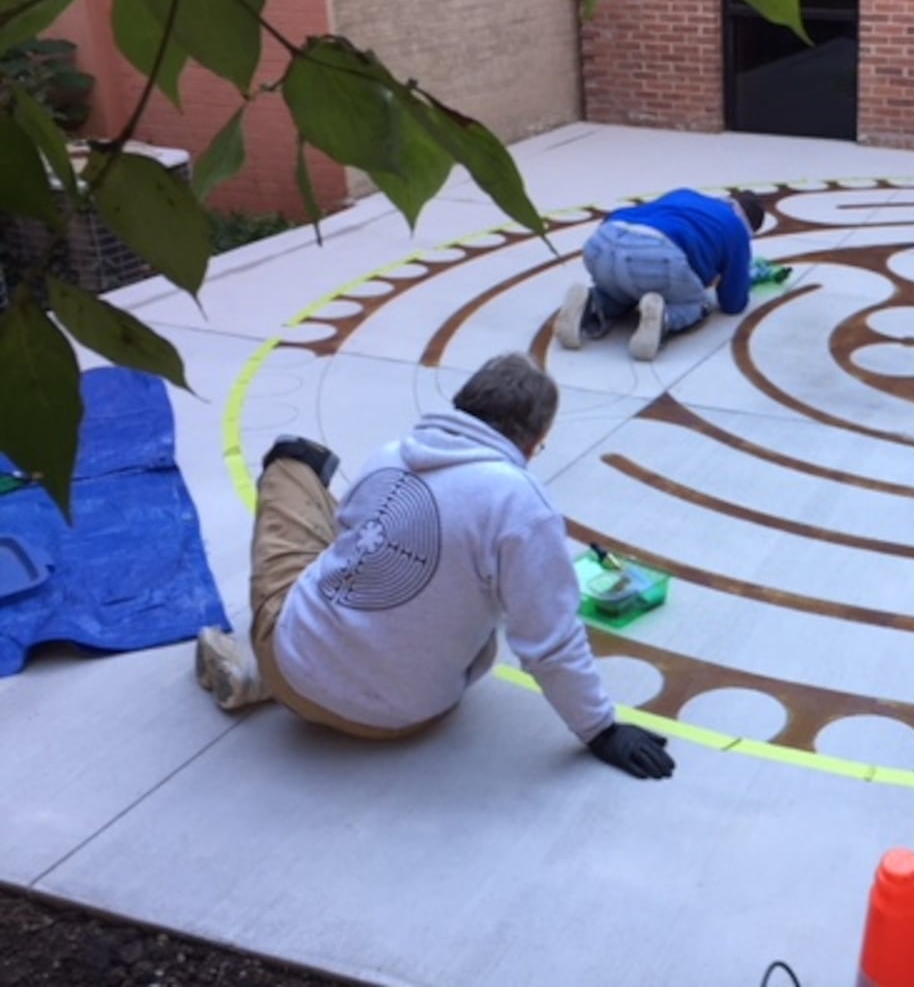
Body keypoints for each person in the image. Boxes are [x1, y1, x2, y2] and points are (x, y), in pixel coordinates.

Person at [192, 353, 674, 780]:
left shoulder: (388, 456)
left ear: (462, 406)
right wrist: (601, 730)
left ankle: (267, 673)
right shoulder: (521, 505)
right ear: (532, 442)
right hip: (403, 716)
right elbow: (551, 641)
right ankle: (287, 673)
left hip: (293, 667)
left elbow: (344, 534)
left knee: (294, 463)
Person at [556, 188, 766, 360]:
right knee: (696, 304)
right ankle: (663, 318)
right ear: (748, 226)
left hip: (603, 240)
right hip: (655, 253)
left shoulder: (684, 194)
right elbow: (733, 304)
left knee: (620, 293)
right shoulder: (736, 228)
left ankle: (591, 303)